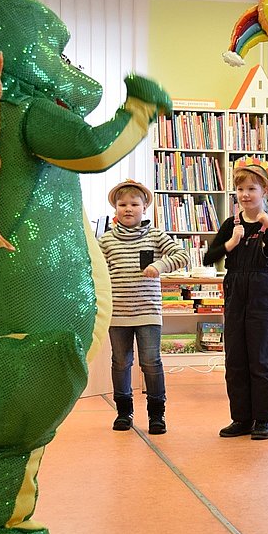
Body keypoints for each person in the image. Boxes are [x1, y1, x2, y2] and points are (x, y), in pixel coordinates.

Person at [204, 162, 268, 440]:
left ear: (264, 191)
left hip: (261, 291)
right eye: (240, 189)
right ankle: (241, 418)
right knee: (235, 357)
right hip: (235, 289)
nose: (245, 194)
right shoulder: (230, 224)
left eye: (252, 189)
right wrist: (230, 244)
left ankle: (264, 419)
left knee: (261, 357)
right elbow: (209, 258)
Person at [99, 180, 189, 434]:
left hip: (148, 312)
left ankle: (156, 414)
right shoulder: (106, 240)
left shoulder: (155, 235)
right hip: (118, 313)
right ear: (115, 208)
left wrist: (159, 266)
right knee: (120, 362)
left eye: (134, 204)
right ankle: (123, 412)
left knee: (151, 362)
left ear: (144, 207)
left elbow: (182, 255)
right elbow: (96, 270)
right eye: (122, 204)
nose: (128, 209)